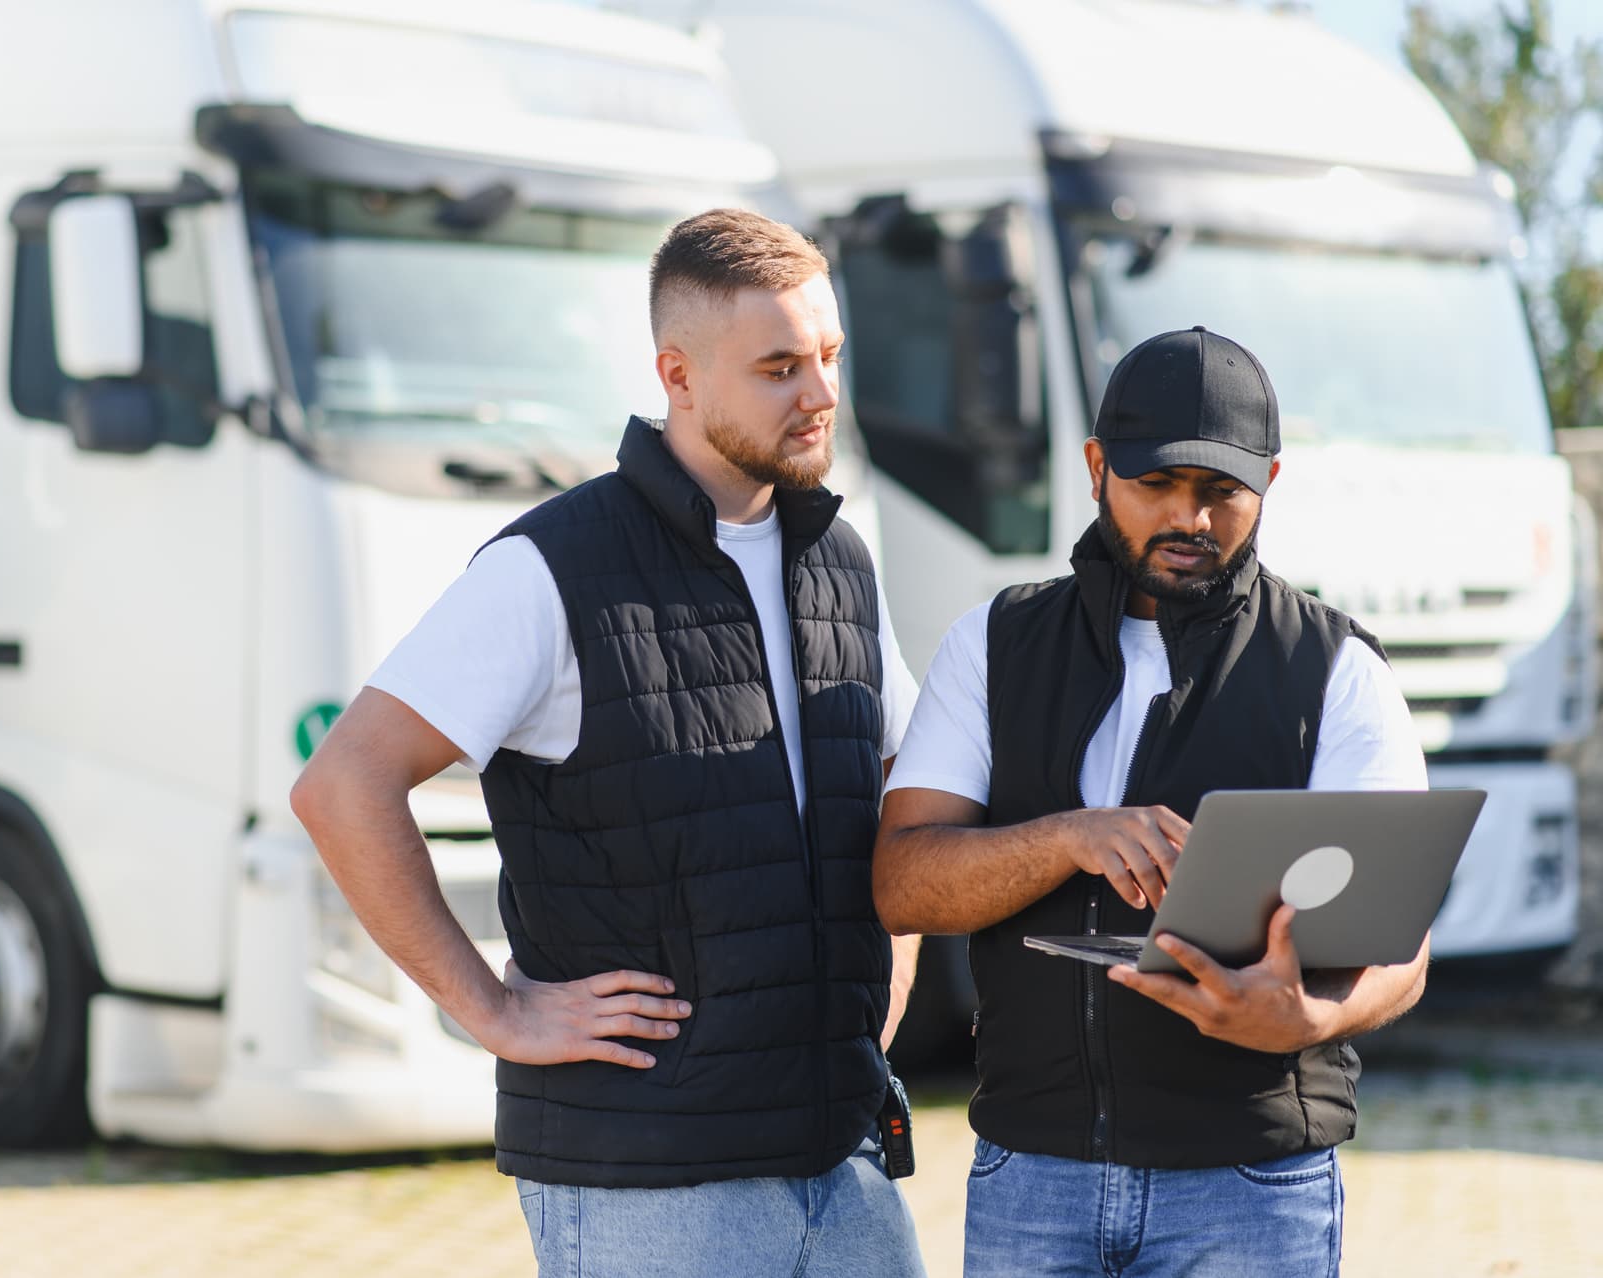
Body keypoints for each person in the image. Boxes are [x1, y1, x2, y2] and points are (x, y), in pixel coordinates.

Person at [291, 208, 925, 1276]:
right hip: (650, 1188)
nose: (819, 394)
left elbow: (904, 792)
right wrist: (490, 1008)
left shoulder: (840, 562)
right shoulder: (550, 568)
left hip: (846, 1166)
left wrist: (880, 1011)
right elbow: (343, 786)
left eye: (828, 357)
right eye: (779, 367)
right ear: (678, 377)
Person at [874, 326, 1430, 1276]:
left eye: (1221, 492)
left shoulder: (1337, 668)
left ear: (1269, 482)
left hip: (1252, 1188)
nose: (1192, 520)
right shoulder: (993, 645)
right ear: (1097, 467)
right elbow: (903, 885)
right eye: (1157, 486)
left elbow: (1404, 948)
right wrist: (1069, 839)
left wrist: (1308, 1021)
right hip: (1030, 1174)